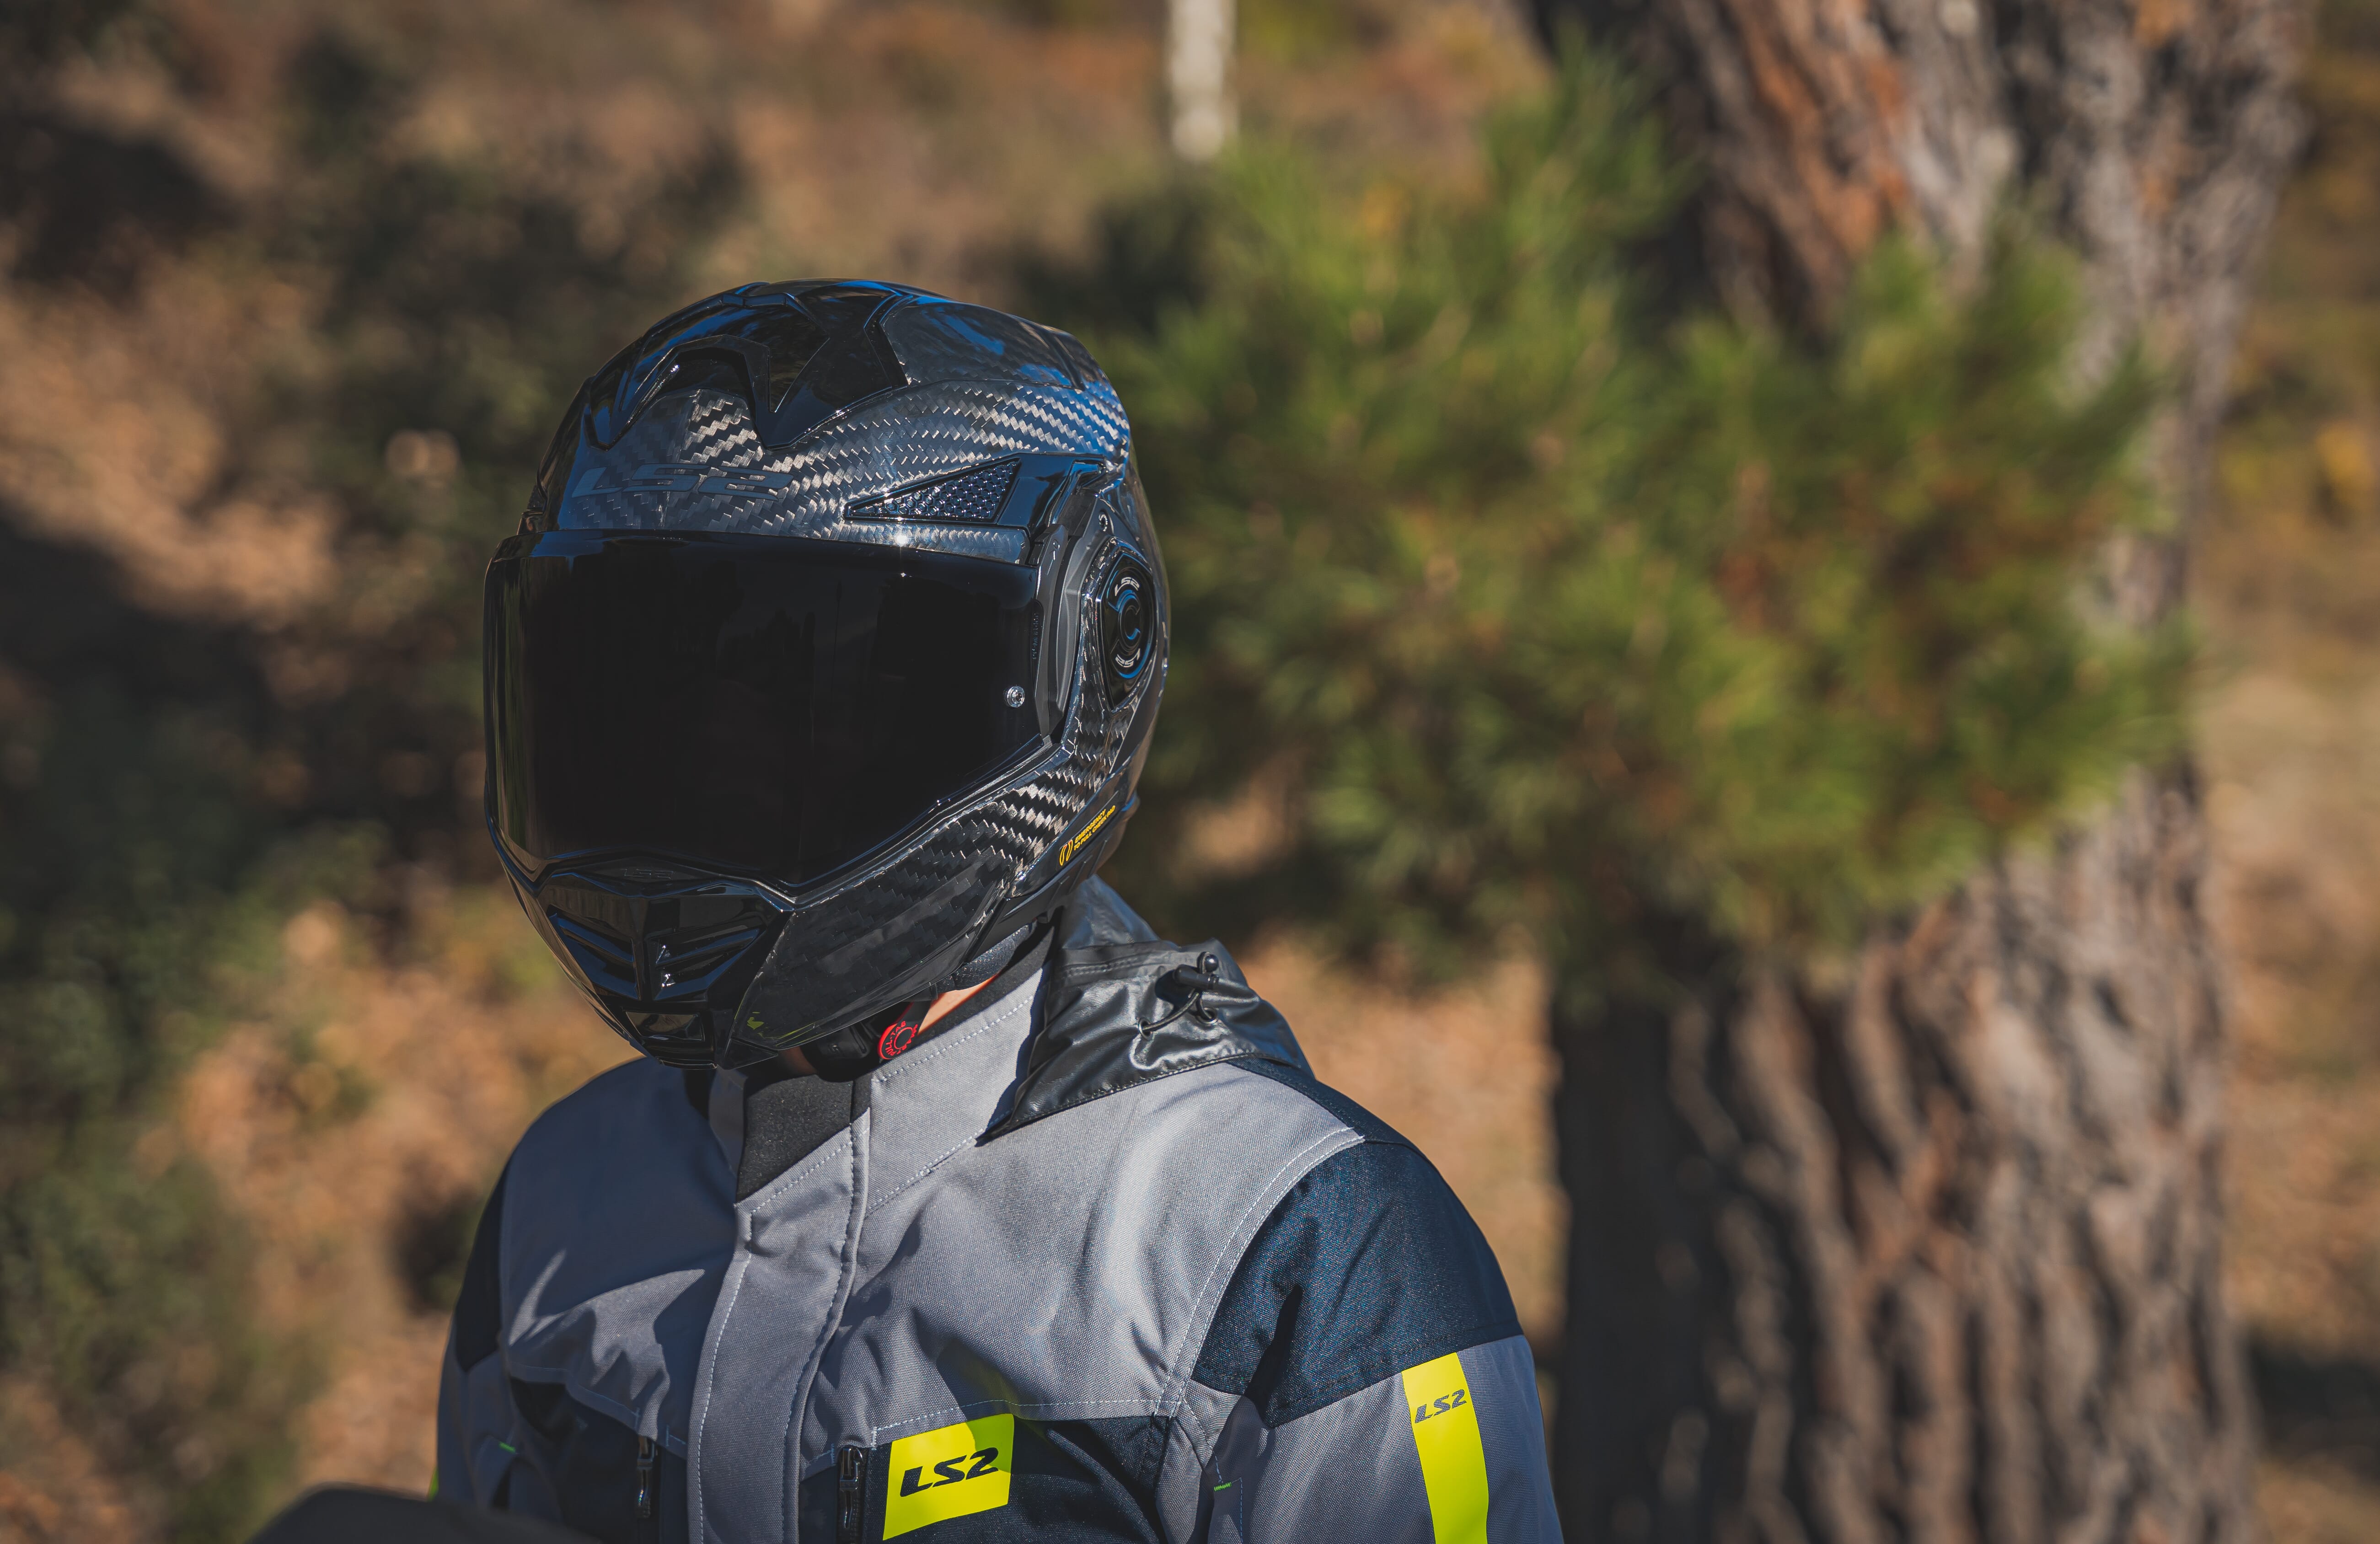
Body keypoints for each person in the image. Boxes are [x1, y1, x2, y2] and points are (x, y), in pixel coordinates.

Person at [437, 280, 1562, 1544]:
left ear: (1079, 670)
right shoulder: (564, 1197)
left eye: (814, 712)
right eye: (662, 710)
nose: (714, 778)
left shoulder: (1282, 1242)